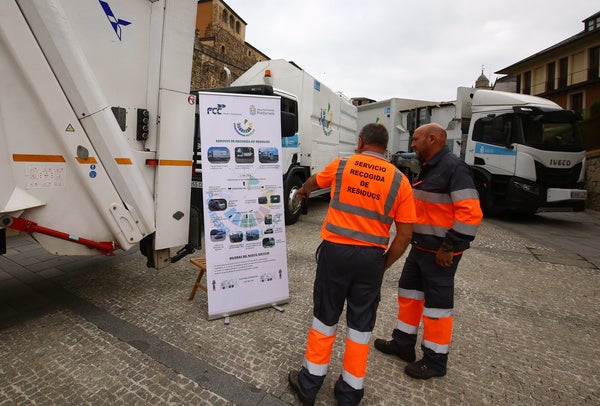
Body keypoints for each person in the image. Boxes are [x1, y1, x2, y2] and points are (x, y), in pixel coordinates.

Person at [287, 123, 416, 406]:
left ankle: (309, 385)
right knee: (360, 327)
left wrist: (303, 192)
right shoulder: (399, 180)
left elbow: (313, 183)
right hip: (370, 259)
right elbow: (405, 234)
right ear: (385, 148)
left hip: (335, 254)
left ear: (360, 142)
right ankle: (349, 392)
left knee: (325, 317)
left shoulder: (343, 165)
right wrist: (382, 265)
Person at [374, 122, 483, 379]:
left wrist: (449, 245)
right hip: (421, 247)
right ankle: (403, 344)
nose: (412, 144)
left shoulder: (453, 168)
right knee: (409, 294)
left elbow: (471, 213)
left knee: (437, 307)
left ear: (433, 139)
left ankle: (435, 361)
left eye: (417, 139)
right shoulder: (430, 166)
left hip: (440, 252)